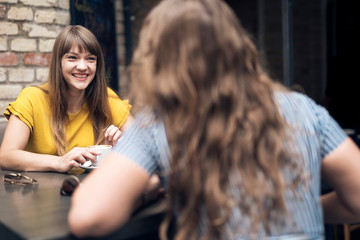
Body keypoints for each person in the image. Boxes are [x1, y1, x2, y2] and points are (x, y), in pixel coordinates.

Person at [68, 0, 360, 239]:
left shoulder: (161, 123)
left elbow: (87, 217)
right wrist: (293, 208)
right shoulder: (303, 108)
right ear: (238, 46)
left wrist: (143, 193)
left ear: (157, 59)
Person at [0, 25, 133, 173]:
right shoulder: (32, 98)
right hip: (38, 193)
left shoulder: (107, 99)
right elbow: (6, 156)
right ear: (59, 63)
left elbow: (146, 145)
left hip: (87, 191)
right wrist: (58, 162)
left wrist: (119, 150)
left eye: (90, 59)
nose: (82, 66)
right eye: (72, 57)